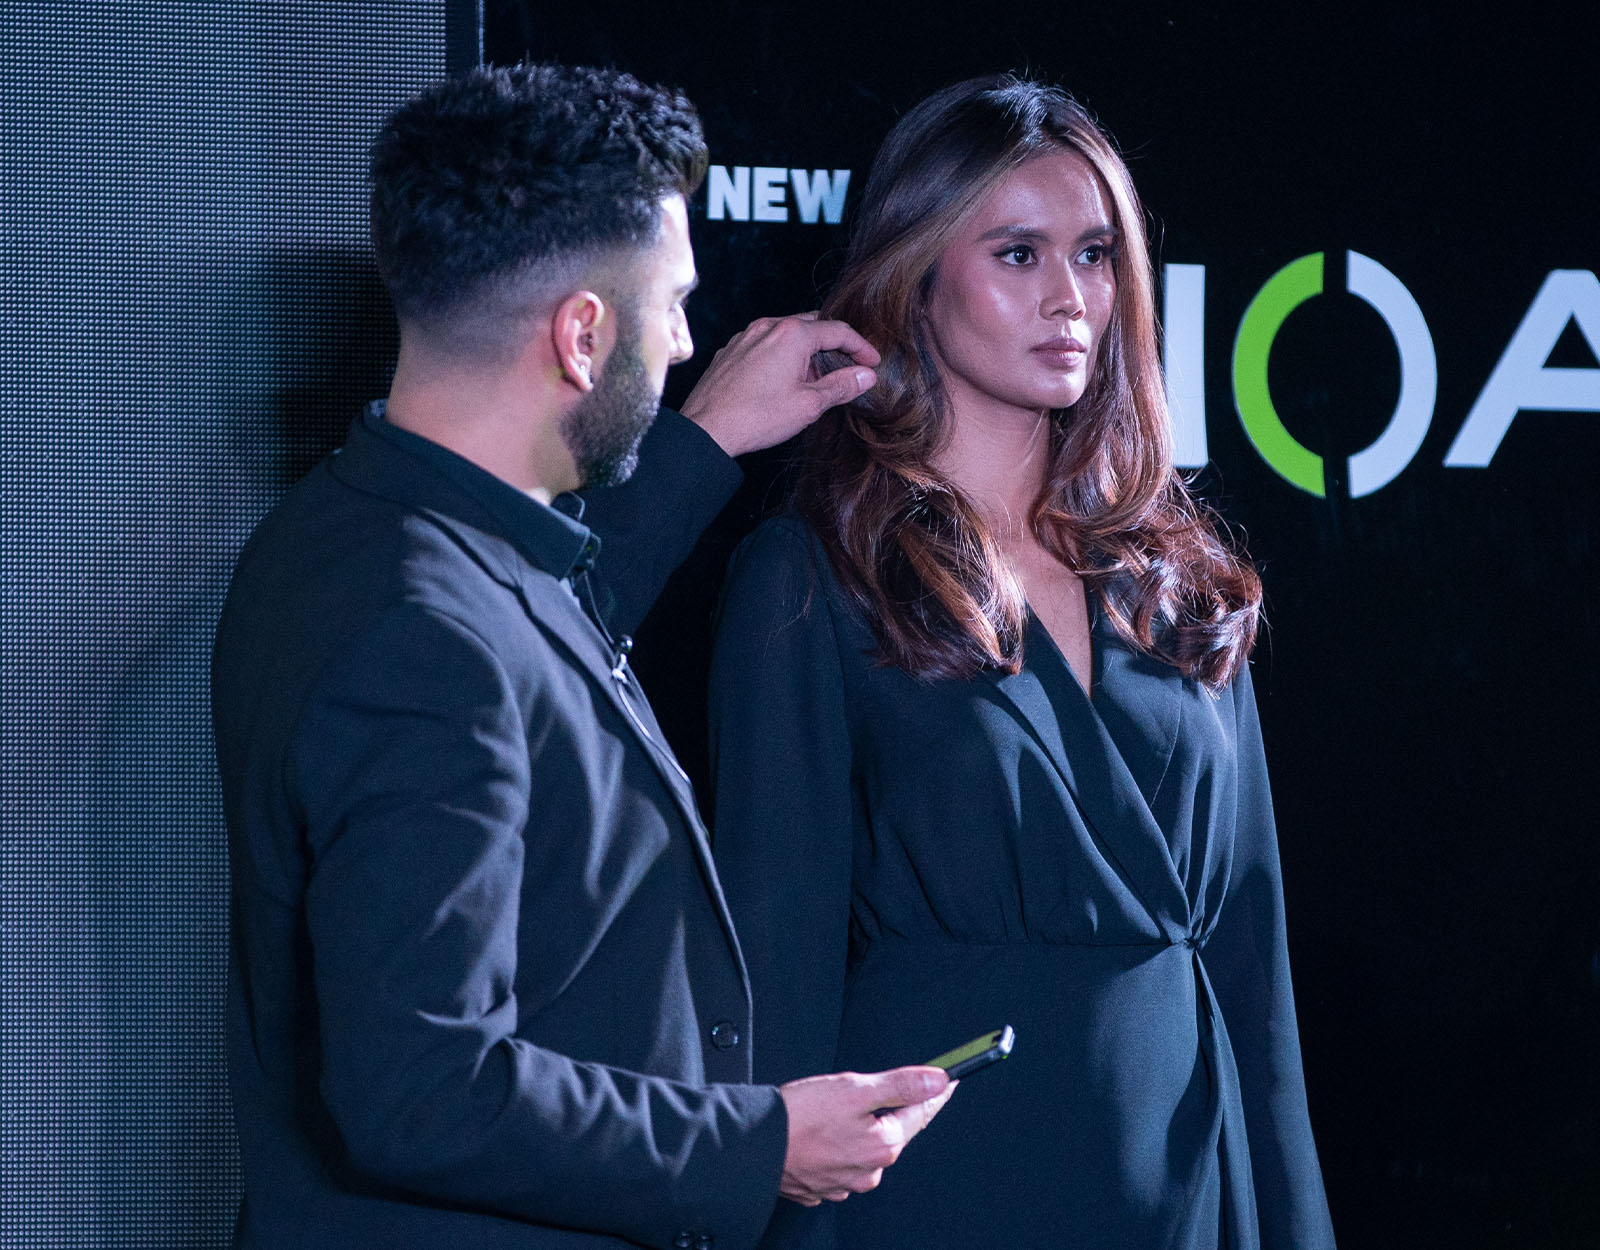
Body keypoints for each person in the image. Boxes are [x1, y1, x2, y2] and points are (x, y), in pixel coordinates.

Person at [210, 63, 953, 1250]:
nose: (686, 339)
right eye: (673, 305)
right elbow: (422, 1088)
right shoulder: (420, 632)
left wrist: (704, 436)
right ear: (582, 334)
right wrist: (758, 1142)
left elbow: (526, 639)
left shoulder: (343, 536)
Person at [707, 74, 1337, 1249]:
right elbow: (772, 964)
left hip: (1185, 1181)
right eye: (1017, 254)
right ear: (916, 278)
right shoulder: (813, 574)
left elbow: (1255, 970)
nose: (1069, 297)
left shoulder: (1180, 582)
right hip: (930, 1184)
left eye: (1094, 254)